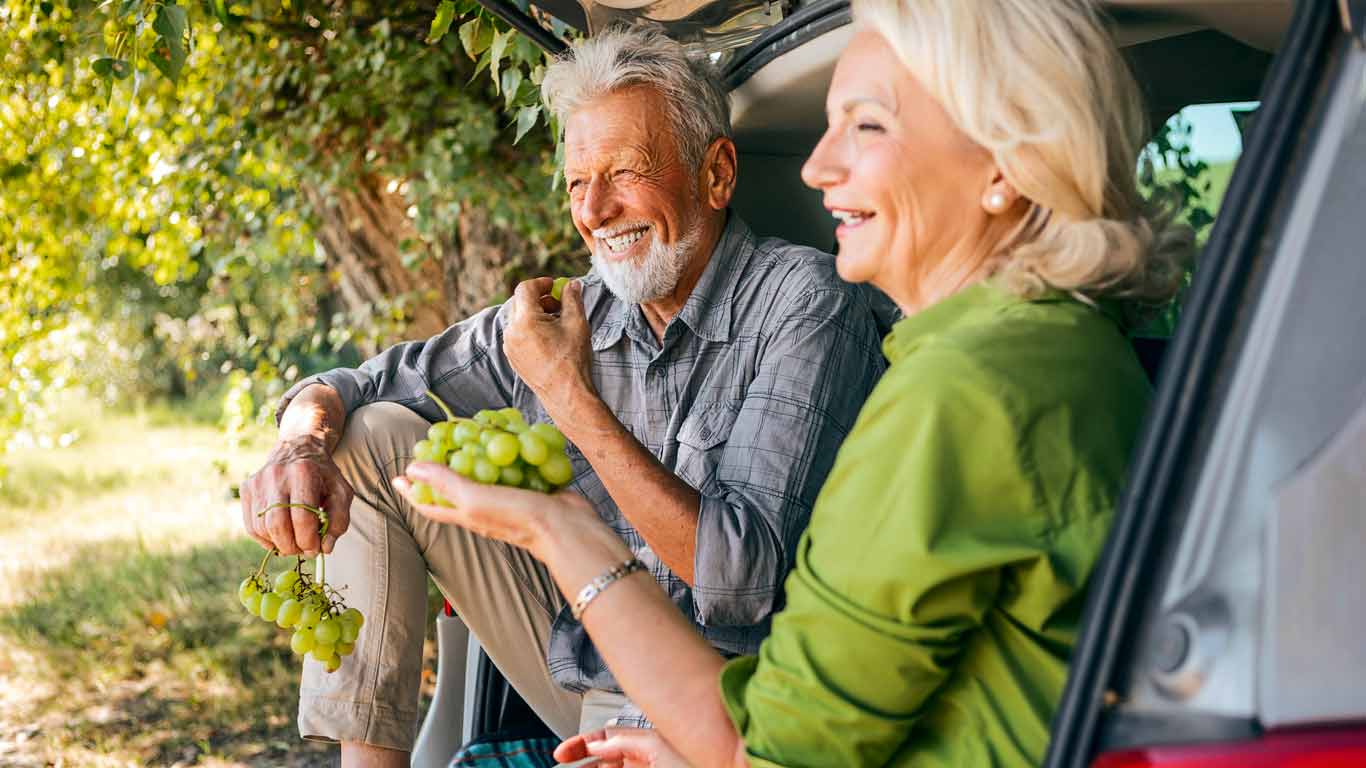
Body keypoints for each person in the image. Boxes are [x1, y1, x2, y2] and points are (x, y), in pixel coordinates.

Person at [395, 0, 1191, 765]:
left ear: (1004, 166)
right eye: (831, 125)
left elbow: (766, 749)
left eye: (867, 126)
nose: (817, 165)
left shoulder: (961, 393)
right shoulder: (1064, 345)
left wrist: (557, 528)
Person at [239, 25, 885, 766]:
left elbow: (739, 580)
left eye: (625, 173)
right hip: (591, 690)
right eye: (579, 183)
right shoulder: (569, 309)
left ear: (716, 174)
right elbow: (354, 384)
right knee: (371, 434)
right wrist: (299, 445)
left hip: (733, 716)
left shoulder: (805, 301)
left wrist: (566, 393)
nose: (596, 211)